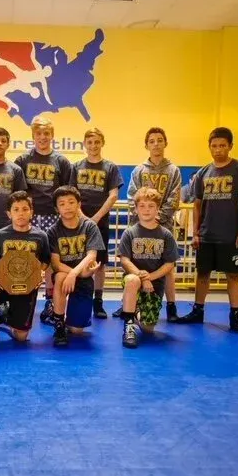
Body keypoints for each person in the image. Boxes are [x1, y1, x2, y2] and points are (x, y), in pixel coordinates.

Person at [176, 127, 238, 333]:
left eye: (222, 145)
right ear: (209, 147)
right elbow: (196, 205)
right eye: (214, 146)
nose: (218, 149)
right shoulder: (203, 172)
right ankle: (198, 310)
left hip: (231, 235)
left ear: (230, 146)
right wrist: (195, 232)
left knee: (233, 275)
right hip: (206, 234)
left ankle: (236, 315)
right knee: (202, 273)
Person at [114, 127, 181, 321]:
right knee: (131, 264)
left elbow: (174, 197)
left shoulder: (173, 170)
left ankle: (171, 306)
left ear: (165, 143)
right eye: (152, 141)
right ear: (146, 145)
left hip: (163, 225)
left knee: (167, 267)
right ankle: (127, 304)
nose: (156, 144)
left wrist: (157, 217)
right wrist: (143, 217)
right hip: (139, 225)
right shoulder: (139, 170)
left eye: (160, 140)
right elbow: (131, 197)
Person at [0, 191, 50, 347]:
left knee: (21, 337)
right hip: (2, 284)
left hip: (26, 288)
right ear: (9, 213)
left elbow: (45, 260)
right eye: (16, 209)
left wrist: (40, 271)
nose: (21, 213)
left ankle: (2, 319)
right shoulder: (0, 235)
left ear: (31, 212)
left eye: (25, 209)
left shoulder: (41, 236)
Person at [14, 116, 71, 325]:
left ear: (52, 135)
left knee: (49, 260)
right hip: (29, 216)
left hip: (53, 216)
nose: (42, 137)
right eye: (38, 133)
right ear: (33, 136)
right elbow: (18, 192)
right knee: (26, 257)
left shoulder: (62, 161)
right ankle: (20, 297)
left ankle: (49, 301)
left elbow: (67, 192)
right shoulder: (22, 160)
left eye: (46, 133)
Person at [70, 128, 124, 318]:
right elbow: (71, 194)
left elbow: (114, 195)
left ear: (102, 143)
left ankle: (98, 301)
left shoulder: (110, 167)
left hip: (100, 222)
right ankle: (78, 296)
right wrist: (83, 216)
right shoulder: (76, 167)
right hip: (77, 222)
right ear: (85, 144)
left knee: (100, 263)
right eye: (90, 142)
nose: (93, 146)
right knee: (77, 258)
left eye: (97, 142)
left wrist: (96, 218)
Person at [118, 187, 179, 349]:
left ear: (158, 209)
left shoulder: (166, 234)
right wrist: (140, 276)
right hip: (135, 279)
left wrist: (149, 278)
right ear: (136, 209)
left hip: (154, 286)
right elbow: (124, 260)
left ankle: (133, 307)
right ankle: (129, 325)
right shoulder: (130, 233)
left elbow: (169, 264)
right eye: (142, 206)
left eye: (151, 206)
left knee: (148, 328)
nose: (146, 210)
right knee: (131, 280)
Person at [47, 186, 105, 347]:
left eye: (71, 202)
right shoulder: (53, 231)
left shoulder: (89, 226)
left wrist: (76, 274)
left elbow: (91, 255)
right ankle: (58, 322)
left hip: (84, 275)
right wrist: (75, 273)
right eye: (62, 203)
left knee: (77, 330)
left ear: (79, 204)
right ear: (56, 208)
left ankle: (68, 316)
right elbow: (56, 264)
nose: (67, 207)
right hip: (70, 274)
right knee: (59, 276)